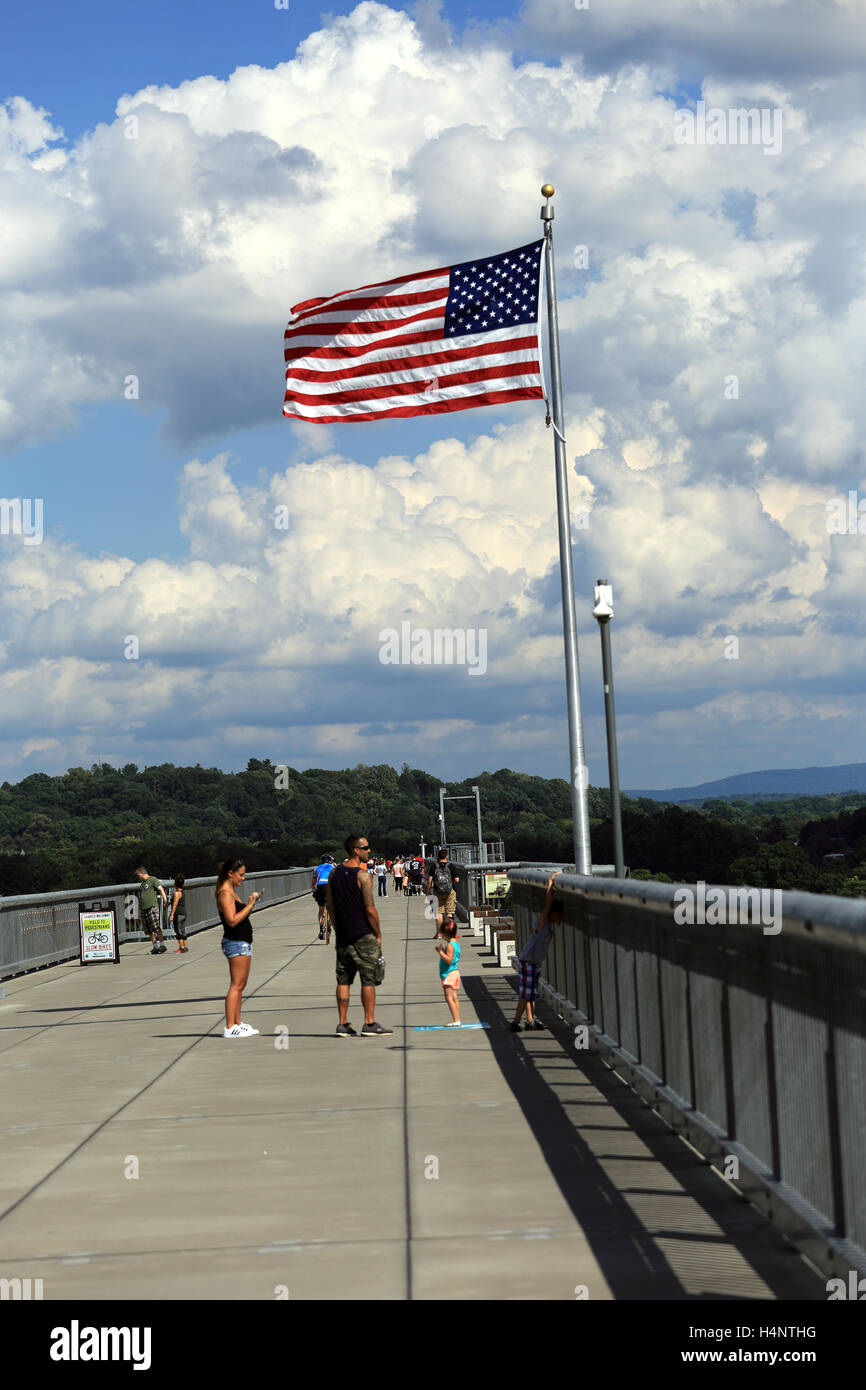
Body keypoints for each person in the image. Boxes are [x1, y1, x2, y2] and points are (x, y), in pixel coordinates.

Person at [326, 834, 393, 1038]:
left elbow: (330, 905)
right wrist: (378, 933)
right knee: (368, 979)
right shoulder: (362, 876)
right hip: (362, 934)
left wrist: (337, 930)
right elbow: (370, 909)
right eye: (365, 848)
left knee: (343, 980)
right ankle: (369, 1023)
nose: (368, 851)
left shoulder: (334, 874)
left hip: (343, 936)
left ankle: (342, 1023)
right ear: (356, 850)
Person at [510, 872, 563, 1032]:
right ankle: (515, 1021)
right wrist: (551, 881)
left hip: (534, 963)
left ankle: (530, 1020)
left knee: (531, 993)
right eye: (559, 916)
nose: (561, 919)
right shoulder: (543, 923)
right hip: (528, 963)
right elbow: (548, 904)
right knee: (526, 994)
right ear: (553, 914)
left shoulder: (549, 927)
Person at [216, 859, 261, 1038]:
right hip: (235, 941)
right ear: (230, 873)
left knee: (241, 984)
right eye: (241, 874)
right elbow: (232, 920)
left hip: (241, 941)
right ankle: (229, 1026)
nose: (243, 878)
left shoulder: (231, 892)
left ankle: (237, 1022)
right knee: (236, 985)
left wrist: (251, 903)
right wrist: (249, 904)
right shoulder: (225, 893)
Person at [135, 866, 168, 955]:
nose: (138, 877)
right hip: (144, 909)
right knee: (149, 930)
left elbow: (161, 889)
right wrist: (138, 914)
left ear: (143, 873)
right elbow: (140, 899)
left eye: (138, 875)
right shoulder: (141, 885)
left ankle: (162, 945)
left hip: (152, 907)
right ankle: (155, 947)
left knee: (156, 927)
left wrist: (165, 899)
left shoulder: (152, 880)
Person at [436, 918, 462, 1026]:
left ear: (446, 934)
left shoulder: (450, 946)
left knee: (449, 997)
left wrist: (441, 952)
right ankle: (457, 1018)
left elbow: (449, 960)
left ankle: (456, 1020)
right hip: (454, 973)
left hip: (449, 974)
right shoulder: (456, 944)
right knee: (454, 997)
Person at [427, 850, 461, 931]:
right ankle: (450, 932)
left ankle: (439, 933)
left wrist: (428, 891)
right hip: (450, 891)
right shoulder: (451, 866)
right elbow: (456, 880)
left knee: (438, 912)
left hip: (437, 891)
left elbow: (429, 880)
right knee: (450, 912)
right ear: (446, 856)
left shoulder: (434, 866)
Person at [312, 855, 335, 940]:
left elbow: (313, 882)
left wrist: (313, 889)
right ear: (329, 861)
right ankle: (329, 922)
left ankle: (321, 930)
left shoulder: (317, 868)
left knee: (321, 909)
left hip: (320, 887)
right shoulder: (332, 867)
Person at [169, 874, 188, 953]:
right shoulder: (182, 892)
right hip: (184, 913)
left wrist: (172, 914)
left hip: (178, 914)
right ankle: (185, 946)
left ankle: (182, 947)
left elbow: (175, 904)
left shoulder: (176, 893)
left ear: (175, 883)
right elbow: (173, 901)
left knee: (177, 930)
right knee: (183, 930)